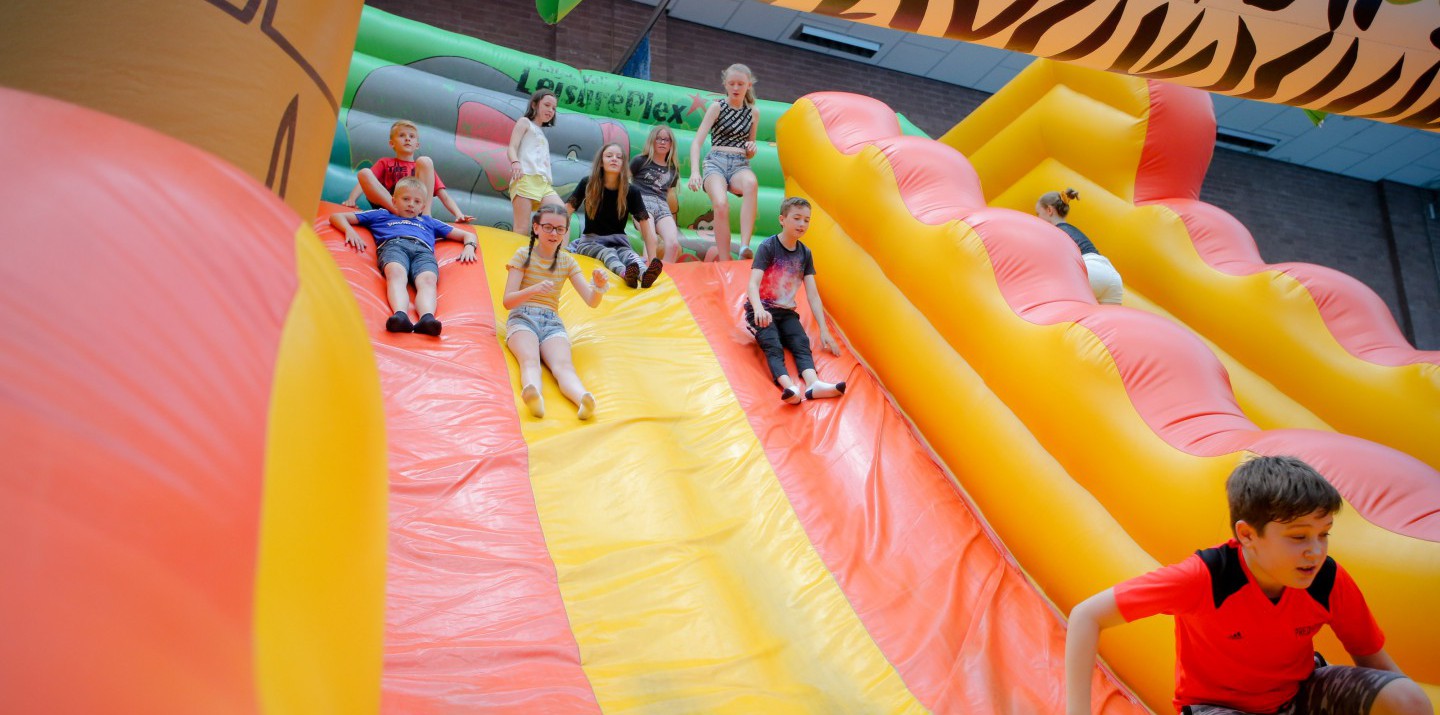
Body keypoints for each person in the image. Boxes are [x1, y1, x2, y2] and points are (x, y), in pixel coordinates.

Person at [1064, 455, 1432, 715]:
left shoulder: (1327, 579)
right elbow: (1087, 615)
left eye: (1324, 535)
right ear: (1247, 534)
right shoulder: (1205, 578)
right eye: (1298, 536)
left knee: (1408, 699)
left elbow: (1375, 663)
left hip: (1300, 694)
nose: (1315, 551)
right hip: (1219, 709)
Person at [331, 176, 477, 336]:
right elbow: (337, 216)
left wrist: (469, 247)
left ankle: (427, 318)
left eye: (416, 201)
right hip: (394, 246)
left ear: (422, 206)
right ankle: (400, 315)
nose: (410, 204)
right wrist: (349, 230)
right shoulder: (382, 214)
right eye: (406, 199)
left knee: (428, 280)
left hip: (423, 251)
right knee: (396, 273)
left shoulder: (428, 222)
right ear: (394, 201)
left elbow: (467, 235)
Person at [503, 204, 610, 420]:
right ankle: (534, 396)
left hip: (552, 323)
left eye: (560, 229)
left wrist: (598, 287)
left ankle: (582, 399)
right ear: (536, 228)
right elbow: (508, 301)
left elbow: (591, 301)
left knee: (563, 366)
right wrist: (534, 289)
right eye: (548, 227)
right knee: (530, 359)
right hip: (522, 318)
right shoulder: (523, 255)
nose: (554, 234)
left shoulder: (567, 261)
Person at [745, 197, 846, 404]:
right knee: (772, 344)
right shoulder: (768, 247)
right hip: (762, 309)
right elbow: (753, 284)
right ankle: (789, 387)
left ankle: (813, 384)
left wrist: (824, 330)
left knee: (801, 342)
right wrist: (758, 309)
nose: (802, 224)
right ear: (782, 219)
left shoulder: (805, 253)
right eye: (797, 218)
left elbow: (813, 295)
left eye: (807, 220)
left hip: (787, 312)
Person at [687, 63, 761, 262]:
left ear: (748, 85)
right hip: (716, 162)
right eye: (732, 84)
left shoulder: (753, 112)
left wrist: (751, 149)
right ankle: (725, 258)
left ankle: (745, 245)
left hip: (739, 163)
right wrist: (695, 172)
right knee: (721, 204)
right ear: (725, 85)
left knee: (751, 184)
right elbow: (697, 142)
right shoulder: (717, 107)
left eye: (740, 84)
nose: (736, 88)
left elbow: (749, 148)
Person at [567, 143, 662, 288]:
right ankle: (625, 274)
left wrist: (653, 259)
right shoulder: (588, 184)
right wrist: (557, 249)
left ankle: (645, 275)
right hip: (590, 242)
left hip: (619, 241)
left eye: (619, 157)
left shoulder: (631, 191)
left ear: (624, 164)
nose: (614, 159)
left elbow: (646, 227)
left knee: (630, 256)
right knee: (608, 253)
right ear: (601, 162)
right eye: (609, 156)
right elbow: (566, 211)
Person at [343, 119, 473, 223]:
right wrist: (351, 199)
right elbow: (364, 182)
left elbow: (443, 195)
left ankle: (425, 215)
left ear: (417, 145)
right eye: (401, 135)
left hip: (415, 207)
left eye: (411, 136)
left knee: (425, 160)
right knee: (364, 172)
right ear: (392, 143)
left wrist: (458, 214)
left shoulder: (422, 167)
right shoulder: (385, 162)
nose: (407, 139)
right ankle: (397, 210)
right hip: (390, 205)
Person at [1036, 188, 1123, 305]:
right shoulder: (1071, 229)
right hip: (1112, 277)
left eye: (1038, 214)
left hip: (1089, 270)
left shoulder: (1055, 232)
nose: (1037, 218)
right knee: (1109, 322)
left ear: (1050, 210)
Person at [508, 89, 564, 236]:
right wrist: (515, 163)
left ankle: (559, 256)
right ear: (534, 105)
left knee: (562, 214)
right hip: (525, 177)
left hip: (543, 184)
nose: (550, 110)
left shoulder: (541, 134)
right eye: (546, 105)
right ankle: (517, 258)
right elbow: (512, 147)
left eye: (553, 108)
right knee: (521, 229)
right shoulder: (525, 122)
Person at [631, 124, 683, 263]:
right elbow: (624, 183)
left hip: (662, 205)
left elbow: (668, 196)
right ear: (652, 141)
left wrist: (672, 219)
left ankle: (663, 275)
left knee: (673, 245)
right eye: (658, 139)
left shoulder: (673, 169)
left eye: (666, 140)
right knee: (651, 238)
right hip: (642, 201)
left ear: (671, 144)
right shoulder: (640, 161)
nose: (662, 142)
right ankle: (646, 270)